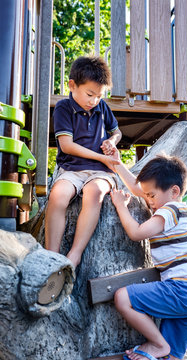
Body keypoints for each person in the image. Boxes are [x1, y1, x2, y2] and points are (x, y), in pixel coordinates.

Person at [110, 154, 187, 360]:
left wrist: (121, 205)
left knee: (122, 298)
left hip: (182, 291)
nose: (148, 200)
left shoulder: (169, 210)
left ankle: (156, 343)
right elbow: (139, 189)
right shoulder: (177, 208)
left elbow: (137, 233)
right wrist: (118, 164)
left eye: (152, 196)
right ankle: (161, 349)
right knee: (171, 356)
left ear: (174, 191)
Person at [45, 56, 122, 268]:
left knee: (94, 193)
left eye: (99, 96)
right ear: (72, 85)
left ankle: (75, 254)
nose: (94, 101)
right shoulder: (63, 108)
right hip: (71, 169)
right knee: (58, 195)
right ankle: (51, 256)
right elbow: (67, 145)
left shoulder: (102, 108)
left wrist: (111, 141)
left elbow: (117, 132)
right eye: (90, 94)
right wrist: (100, 156)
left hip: (100, 172)